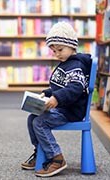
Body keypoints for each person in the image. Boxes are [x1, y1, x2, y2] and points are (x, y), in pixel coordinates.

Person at [21, 21, 92, 177]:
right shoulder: (64, 63)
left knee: (39, 121)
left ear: (72, 46)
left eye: (60, 49)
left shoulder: (76, 66)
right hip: (61, 107)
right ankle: (41, 152)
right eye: (54, 51)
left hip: (70, 111)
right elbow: (58, 87)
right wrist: (46, 94)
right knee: (31, 118)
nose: (57, 54)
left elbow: (75, 88)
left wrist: (56, 98)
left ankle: (57, 158)